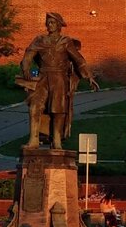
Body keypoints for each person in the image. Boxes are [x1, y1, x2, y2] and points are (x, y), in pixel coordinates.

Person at [18, 12, 99, 150]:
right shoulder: (40, 40)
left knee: (58, 110)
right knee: (34, 107)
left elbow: (79, 60)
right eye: (48, 22)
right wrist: (26, 69)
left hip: (59, 79)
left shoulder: (65, 42)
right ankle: (33, 140)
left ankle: (56, 140)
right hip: (43, 78)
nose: (49, 25)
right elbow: (28, 54)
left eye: (53, 22)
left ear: (59, 25)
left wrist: (89, 76)